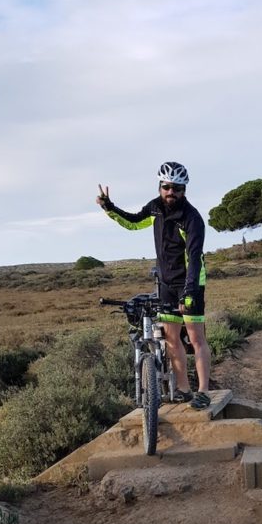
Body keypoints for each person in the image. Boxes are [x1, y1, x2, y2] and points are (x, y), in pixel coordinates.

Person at [96, 162, 212, 409]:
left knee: (195, 338)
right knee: (171, 338)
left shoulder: (192, 219)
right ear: (160, 186)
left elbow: (194, 258)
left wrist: (190, 292)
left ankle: (203, 391)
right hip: (166, 281)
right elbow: (134, 222)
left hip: (190, 282)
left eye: (177, 188)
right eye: (166, 187)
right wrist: (110, 208)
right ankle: (183, 389)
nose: (171, 192)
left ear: (184, 189)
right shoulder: (155, 208)